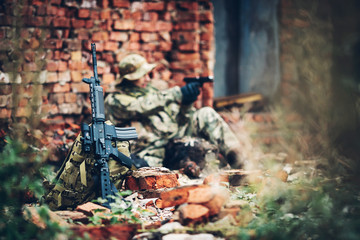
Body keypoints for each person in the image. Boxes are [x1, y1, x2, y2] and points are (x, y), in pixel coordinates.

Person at [104, 54, 245, 168]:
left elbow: (181, 121)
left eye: (148, 74)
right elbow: (139, 107)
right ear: (130, 79)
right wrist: (177, 93)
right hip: (150, 154)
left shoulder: (153, 93)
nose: (147, 78)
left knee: (205, 113)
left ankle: (240, 161)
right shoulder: (115, 100)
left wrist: (186, 105)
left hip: (175, 143)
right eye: (143, 75)